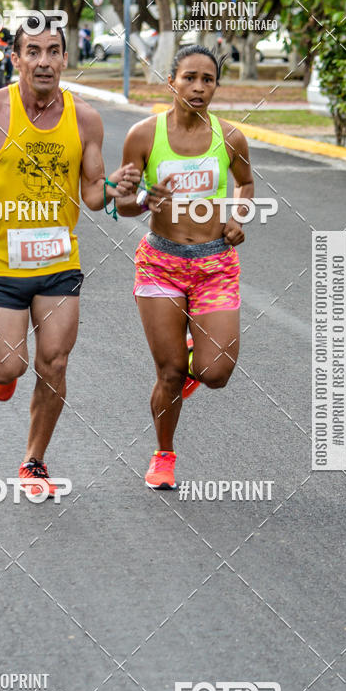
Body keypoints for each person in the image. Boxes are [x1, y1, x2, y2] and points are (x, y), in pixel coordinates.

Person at [0, 15, 139, 497]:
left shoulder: (84, 118)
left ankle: (34, 460)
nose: (44, 61)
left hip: (58, 264)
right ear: (16, 58)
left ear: (66, 59)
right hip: (3, 265)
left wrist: (116, 189)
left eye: (53, 51)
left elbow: (92, 194)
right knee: (8, 369)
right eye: (34, 51)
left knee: (55, 363)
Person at [117, 45, 254, 490]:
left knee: (214, 374)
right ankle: (164, 454)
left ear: (216, 85)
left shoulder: (230, 137)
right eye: (189, 77)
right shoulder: (143, 135)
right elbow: (121, 202)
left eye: (207, 79)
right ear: (171, 81)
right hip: (161, 263)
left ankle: (195, 350)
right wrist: (142, 200)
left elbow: (247, 183)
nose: (198, 87)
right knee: (170, 374)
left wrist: (237, 217)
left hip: (214, 263)